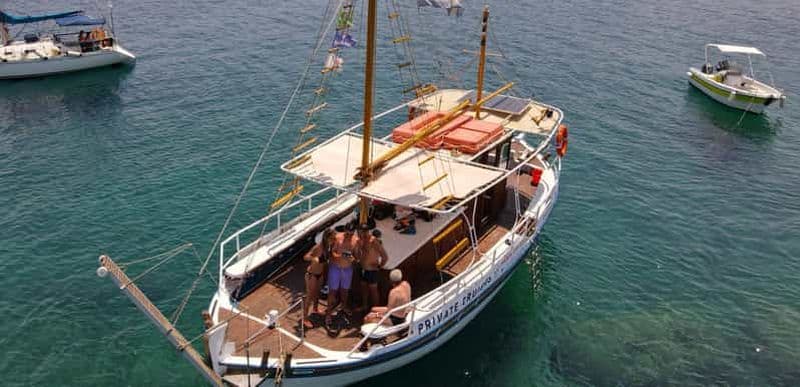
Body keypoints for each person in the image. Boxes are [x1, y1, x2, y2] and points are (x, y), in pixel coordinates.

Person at [325, 222, 359, 326]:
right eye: (347, 233)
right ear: (345, 230)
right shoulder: (338, 238)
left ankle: (344, 306)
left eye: (351, 234)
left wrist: (354, 258)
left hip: (347, 269)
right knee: (332, 291)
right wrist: (340, 256)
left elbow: (357, 256)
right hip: (335, 268)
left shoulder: (356, 240)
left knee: (345, 290)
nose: (349, 236)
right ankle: (328, 313)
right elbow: (332, 253)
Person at [303, 228, 334, 329]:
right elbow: (306, 257)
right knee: (309, 296)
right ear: (327, 238)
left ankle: (315, 309)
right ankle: (305, 318)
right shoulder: (318, 247)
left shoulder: (328, 248)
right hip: (312, 275)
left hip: (320, 274)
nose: (333, 240)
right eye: (332, 238)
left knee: (317, 293)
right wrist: (314, 258)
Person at [357, 226, 388, 312]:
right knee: (364, 288)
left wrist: (379, 266)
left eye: (361, 232)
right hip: (363, 269)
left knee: (373, 290)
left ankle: (376, 311)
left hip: (372, 270)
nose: (360, 234)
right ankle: (364, 306)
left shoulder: (374, 241)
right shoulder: (361, 241)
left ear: (366, 231)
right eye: (359, 233)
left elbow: (384, 256)